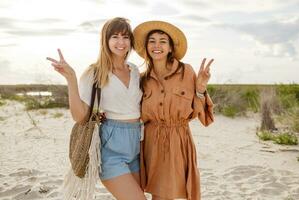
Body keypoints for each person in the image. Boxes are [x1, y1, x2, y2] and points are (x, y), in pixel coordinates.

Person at [46, 17, 146, 200]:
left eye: (125, 37)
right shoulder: (95, 72)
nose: (121, 42)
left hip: (136, 146)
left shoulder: (134, 70)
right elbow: (80, 116)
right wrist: (71, 79)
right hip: (111, 148)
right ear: (105, 40)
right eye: (115, 36)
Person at [133, 20, 214, 200]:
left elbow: (201, 114)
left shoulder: (187, 71)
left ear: (170, 48)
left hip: (178, 138)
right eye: (152, 41)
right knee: (158, 195)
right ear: (146, 47)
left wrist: (200, 88)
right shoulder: (142, 79)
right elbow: (132, 111)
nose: (157, 45)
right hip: (150, 141)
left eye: (163, 41)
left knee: (167, 194)